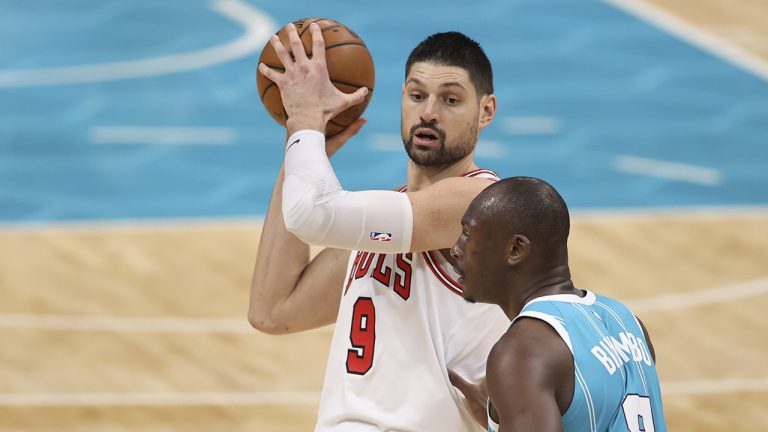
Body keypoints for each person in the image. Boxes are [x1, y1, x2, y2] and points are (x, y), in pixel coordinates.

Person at [249, 22, 509, 431]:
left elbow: (314, 214)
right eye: (417, 95)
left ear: (486, 111)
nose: (428, 112)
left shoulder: (478, 205)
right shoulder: (386, 221)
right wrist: (298, 150)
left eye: (451, 99)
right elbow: (273, 310)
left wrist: (306, 123)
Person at [449, 176, 667, 432]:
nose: (456, 249)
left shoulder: (524, 351)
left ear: (516, 249)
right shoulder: (627, 320)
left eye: (467, 234)